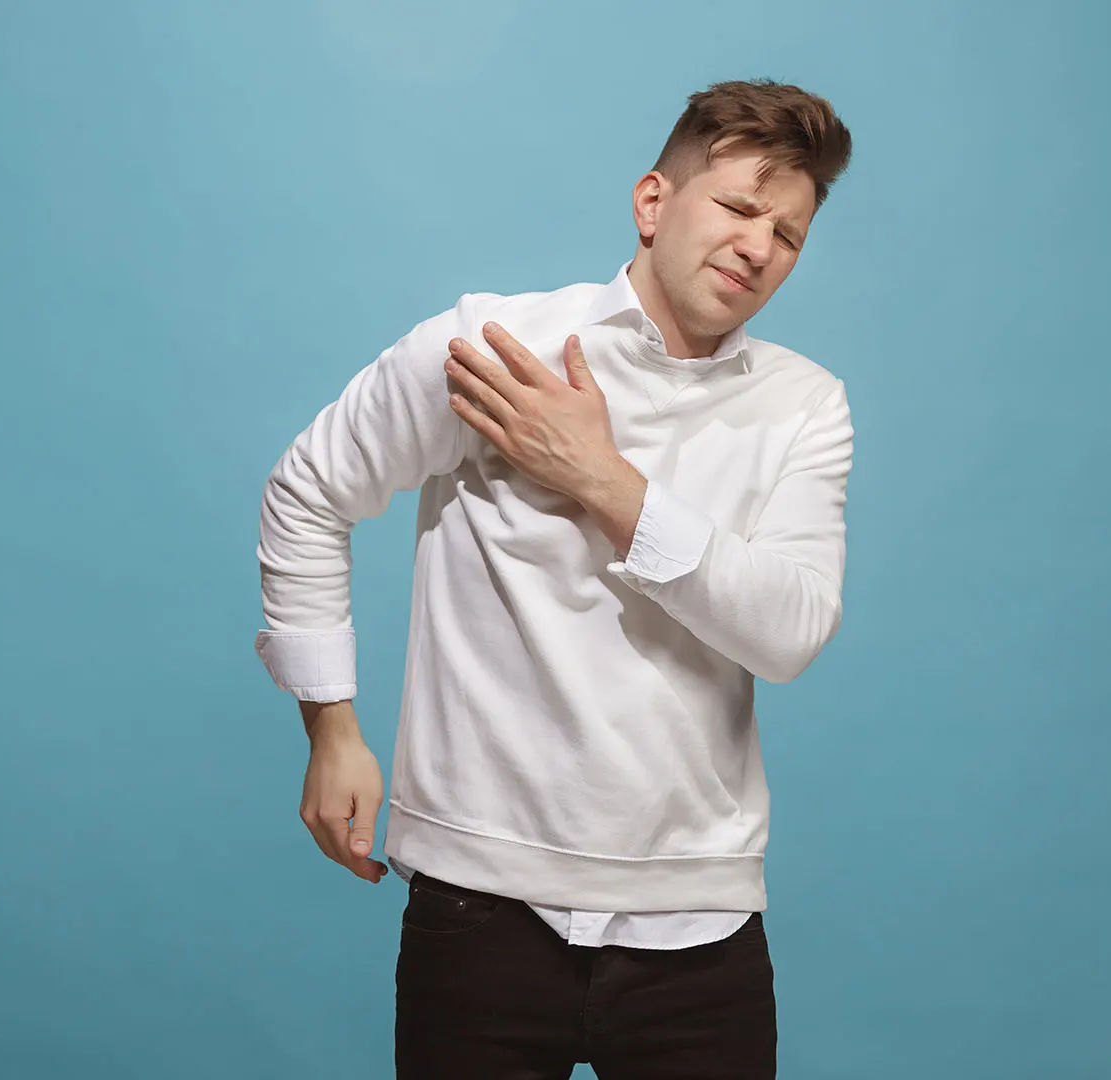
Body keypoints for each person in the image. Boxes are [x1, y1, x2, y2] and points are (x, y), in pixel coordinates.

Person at [254, 78, 854, 1079]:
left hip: (698, 925)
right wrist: (331, 725)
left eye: (787, 234)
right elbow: (309, 489)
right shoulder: (498, 347)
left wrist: (601, 478)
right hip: (476, 909)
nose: (759, 247)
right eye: (740, 208)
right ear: (653, 202)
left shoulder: (803, 405)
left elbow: (789, 633)